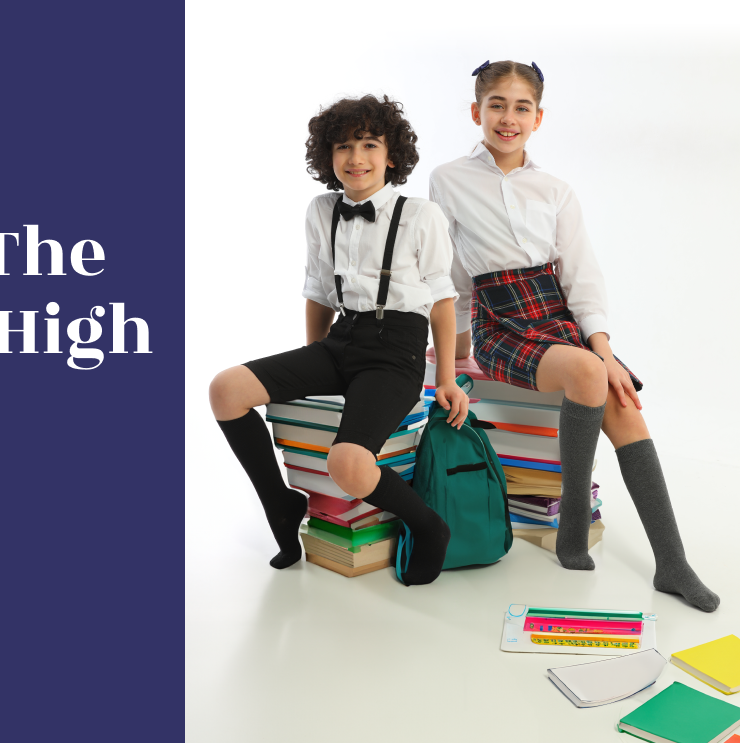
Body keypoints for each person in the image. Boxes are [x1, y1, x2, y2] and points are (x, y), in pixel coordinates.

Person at [429, 60, 718, 611]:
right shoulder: (447, 179)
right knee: (586, 372)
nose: (508, 118)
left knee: (625, 402)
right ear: (476, 112)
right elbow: (449, 273)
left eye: (521, 108)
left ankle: (672, 563)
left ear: (539, 117)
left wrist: (605, 353)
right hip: (500, 318)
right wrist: (456, 349)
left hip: (555, 313)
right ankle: (572, 529)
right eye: (496, 105)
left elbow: (582, 278)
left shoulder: (555, 189)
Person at [209, 94, 468, 586]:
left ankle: (429, 525)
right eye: (343, 146)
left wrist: (448, 379)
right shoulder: (321, 210)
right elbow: (318, 290)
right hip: (342, 337)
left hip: (397, 350)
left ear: (391, 155)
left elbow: (440, 299)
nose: (356, 158)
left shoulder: (420, 215)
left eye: (369, 144)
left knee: (347, 463)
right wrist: (313, 358)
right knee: (226, 389)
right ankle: (280, 502)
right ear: (327, 157)